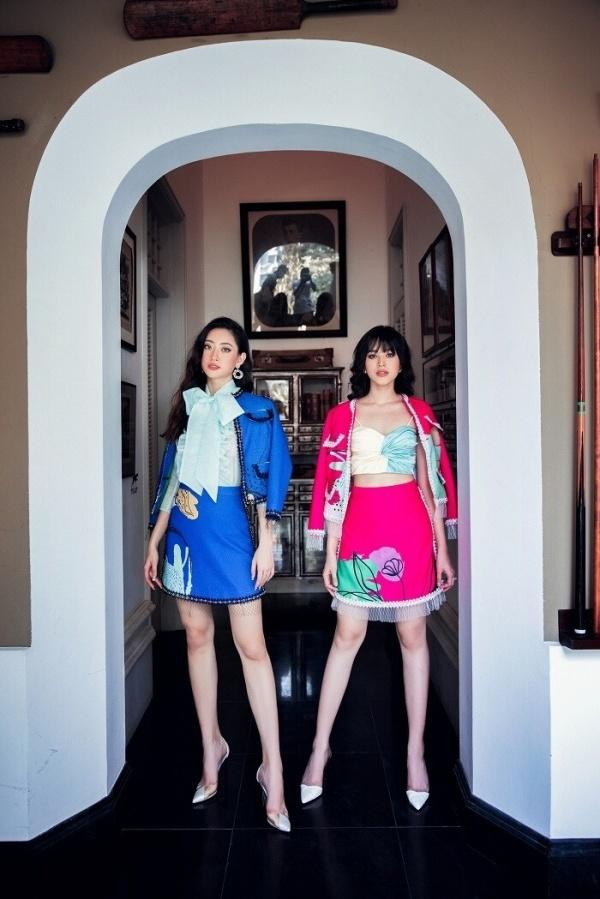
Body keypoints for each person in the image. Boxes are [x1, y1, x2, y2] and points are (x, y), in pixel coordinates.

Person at [144, 317, 292, 832]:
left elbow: (271, 476)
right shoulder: (187, 408)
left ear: (241, 360)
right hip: (186, 531)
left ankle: (273, 766)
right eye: (208, 346)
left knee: (252, 647)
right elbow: (170, 480)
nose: (214, 355)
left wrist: (267, 540)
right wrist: (155, 538)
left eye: (226, 348)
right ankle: (212, 747)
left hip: (235, 532)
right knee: (196, 636)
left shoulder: (258, 411)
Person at [301, 325, 457, 811]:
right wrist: (330, 552)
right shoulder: (342, 416)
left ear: (401, 362)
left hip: (411, 531)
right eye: (372, 355)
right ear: (362, 365)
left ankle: (415, 753)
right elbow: (333, 486)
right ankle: (319, 748)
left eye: (389, 354)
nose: (381, 362)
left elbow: (431, 487)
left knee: (412, 637)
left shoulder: (419, 413)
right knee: (347, 636)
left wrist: (443, 551)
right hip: (360, 532)